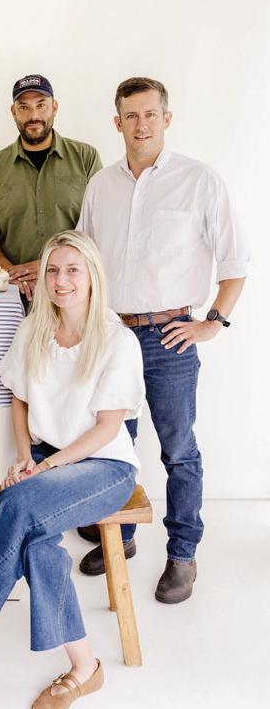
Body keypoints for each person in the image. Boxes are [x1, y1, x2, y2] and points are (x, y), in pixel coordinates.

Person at [0, 230, 145, 709]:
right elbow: (19, 398)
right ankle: (85, 668)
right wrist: (24, 456)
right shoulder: (34, 330)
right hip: (44, 460)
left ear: (93, 277)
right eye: (52, 270)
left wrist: (44, 467)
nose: (61, 280)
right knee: (37, 545)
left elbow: (107, 428)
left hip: (104, 467)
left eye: (73, 270)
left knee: (15, 502)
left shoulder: (117, 340)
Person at [78, 77, 251, 603]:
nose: (141, 125)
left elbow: (236, 263)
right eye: (131, 116)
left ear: (166, 119)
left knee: (178, 451)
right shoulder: (100, 186)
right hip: (112, 337)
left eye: (150, 114)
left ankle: (182, 555)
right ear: (117, 123)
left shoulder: (199, 181)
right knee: (113, 447)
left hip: (170, 339)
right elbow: (86, 259)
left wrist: (212, 323)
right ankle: (121, 537)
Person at [0, 74, 102, 301]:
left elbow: (100, 226)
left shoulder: (86, 158)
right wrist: (10, 272)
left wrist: (49, 264)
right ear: (13, 112)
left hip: (73, 295)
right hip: (17, 297)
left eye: (41, 105)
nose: (33, 116)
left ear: (54, 107)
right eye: (24, 107)